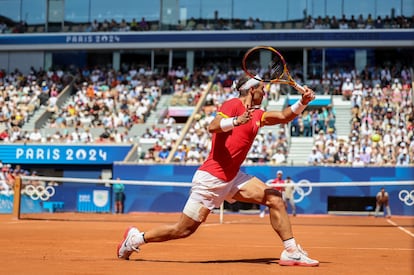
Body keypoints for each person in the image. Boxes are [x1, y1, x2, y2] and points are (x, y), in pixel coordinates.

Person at [116, 74, 319, 267]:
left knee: (274, 198)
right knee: (183, 230)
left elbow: (284, 116)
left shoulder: (257, 114)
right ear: (251, 90)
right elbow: (212, 126)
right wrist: (235, 121)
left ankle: (291, 251)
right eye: (262, 89)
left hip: (232, 177)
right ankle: (136, 239)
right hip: (212, 178)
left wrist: (303, 102)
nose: (264, 93)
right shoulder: (232, 104)